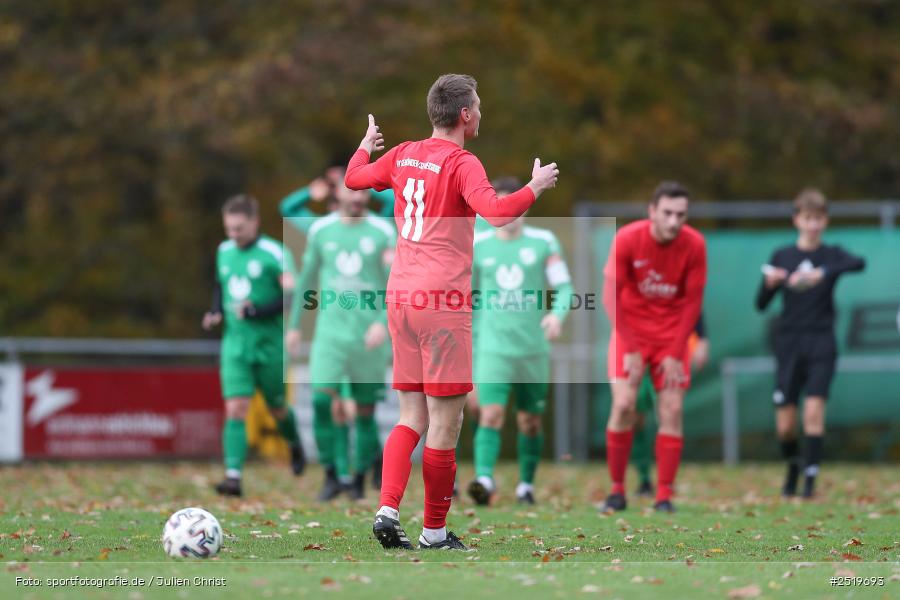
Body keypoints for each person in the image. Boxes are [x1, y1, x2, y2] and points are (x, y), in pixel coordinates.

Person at [345, 73, 559, 550]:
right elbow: (498, 214)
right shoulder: (463, 163)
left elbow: (354, 179)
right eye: (477, 106)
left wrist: (364, 146)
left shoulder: (403, 154)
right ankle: (434, 533)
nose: (480, 113)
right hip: (441, 303)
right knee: (445, 423)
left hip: (401, 298)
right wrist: (535, 186)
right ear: (465, 114)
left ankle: (386, 508)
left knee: (410, 416)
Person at [467, 177, 574, 506]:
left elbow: (565, 288)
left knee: (530, 421)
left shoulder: (544, 242)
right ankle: (484, 480)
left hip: (532, 349)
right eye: (500, 205)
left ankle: (526, 485)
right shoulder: (478, 246)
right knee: (490, 414)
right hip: (492, 348)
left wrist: (556, 315)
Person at [601, 181, 706, 513]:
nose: (674, 221)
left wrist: (676, 352)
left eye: (681, 215)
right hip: (630, 333)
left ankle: (663, 496)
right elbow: (609, 297)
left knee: (671, 410)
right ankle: (617, 490)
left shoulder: (695, 244)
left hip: (671, 336)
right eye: (667, 213)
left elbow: (693, 303)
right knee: (624, 406)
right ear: (652, 212)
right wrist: (631, 347)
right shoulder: (628, 238)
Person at [285, 183, 395, 501]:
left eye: (363, 193)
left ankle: (358, 479)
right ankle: (332, 473)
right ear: (339, 194)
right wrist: (294, 326)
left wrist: (382, 323)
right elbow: (306, 278)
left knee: (364, 411)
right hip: (330, 335)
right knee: (322, 401)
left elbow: (395, 283)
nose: (358, 198)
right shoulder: (321, 230)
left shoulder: (382, 231)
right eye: (352, 192)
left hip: (368, 338)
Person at [755, 188, 865, 498]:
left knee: (814, 413)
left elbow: (859, 263)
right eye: (808, 218)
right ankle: (793, 465)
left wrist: (823, 273)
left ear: (825, 221)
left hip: (821, 342)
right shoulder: (782, 256)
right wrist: (770, 284)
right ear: (797, 220)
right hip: (789, 343)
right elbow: (761, 304)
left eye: (818, 218)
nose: (813, 225)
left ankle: (809, 483)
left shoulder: (831, 255)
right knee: (785, 426)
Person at [202, 194, 304, 497]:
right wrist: (216, 311)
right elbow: (220, 284)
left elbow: (292, 295)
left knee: (278, 408)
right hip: (235, 346)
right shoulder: (224, 251)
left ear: (254, 222)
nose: (233, 234)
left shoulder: (275, 252)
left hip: (270, 346)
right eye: (229, 229)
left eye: (239, 228)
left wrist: (257, 311)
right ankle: (233, 477)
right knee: (236, 407)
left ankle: (294, 442)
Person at [630, 314, 709, 497]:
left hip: (670, 347)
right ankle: (644, 477)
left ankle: (665, 485)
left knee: (669, 413)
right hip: (638, 347)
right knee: (634, 415)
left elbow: (691, 304)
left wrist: (703, 339)